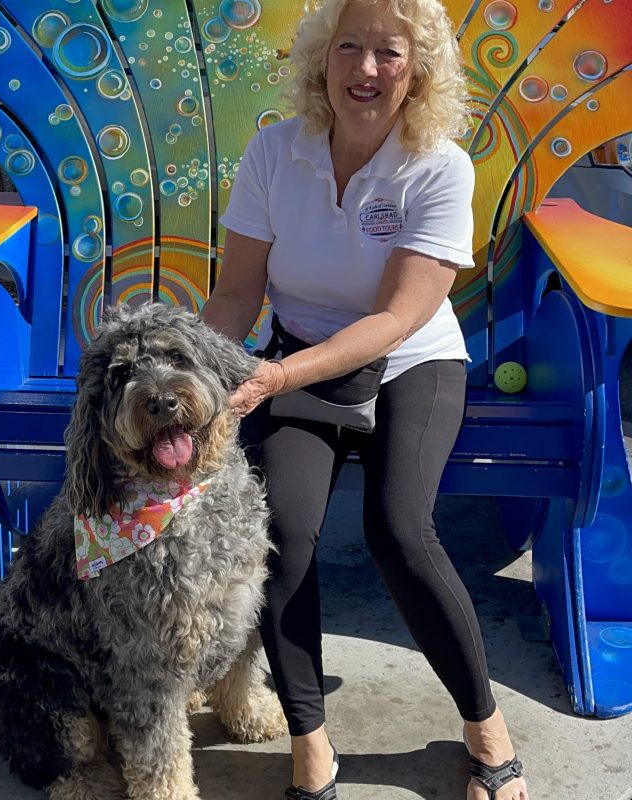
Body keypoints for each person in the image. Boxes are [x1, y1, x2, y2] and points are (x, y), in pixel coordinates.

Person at [200, 1, 530, 799]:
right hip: (299, 358)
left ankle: (485, 723)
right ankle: (310, 741)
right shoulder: (276, 151)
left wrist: (275, 378)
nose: (367, 67)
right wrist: (198, 371)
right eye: (349, 46)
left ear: (418, 72)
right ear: (322, 60)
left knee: (399, 531)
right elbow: (239, 292)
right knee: (279, 530)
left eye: (390, 51)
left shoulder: (441, 165)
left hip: (411, 359)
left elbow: (394, 317)